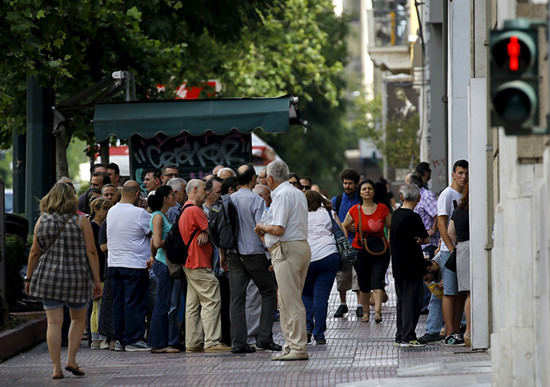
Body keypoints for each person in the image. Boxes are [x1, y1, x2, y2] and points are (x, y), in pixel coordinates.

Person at [25, 182, 102, 379]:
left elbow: (35, 251)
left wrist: (29, 277)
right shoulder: (81, 220)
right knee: (77, 320)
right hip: (77, 277)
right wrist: (97, 280)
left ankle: (56, 369)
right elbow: (91, 251)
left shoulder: (42, 220)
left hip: (49, 277)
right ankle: (72, 360)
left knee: (53, 323)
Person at [254, 160, 311, 361]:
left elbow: (278, 229)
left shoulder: (282, 195)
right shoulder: (296, 193)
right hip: (297, 247)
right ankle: (291, 344)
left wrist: (262, 226)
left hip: (287, 249)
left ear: (270, 178)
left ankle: (297, 347)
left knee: (290, 300)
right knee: (287, 299)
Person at [223, 164, 280, 354]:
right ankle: (264, 337)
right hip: (254, 254)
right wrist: (270, 253)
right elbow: (260, 228)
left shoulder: (229, 199)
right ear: (254, 178)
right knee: (269, 291)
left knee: (237, 299)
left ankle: (238, 342)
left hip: (234, 254)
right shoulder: (257, 200)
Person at [180, 179, 231, 352]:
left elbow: (205, 230)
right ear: (194, 189)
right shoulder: (195, 210)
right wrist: (206, 231)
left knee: (193, 304)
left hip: (190, 262)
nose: (207, 193)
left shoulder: (186, 209)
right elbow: (213, 232)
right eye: (204, 189)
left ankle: (193, 341)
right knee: (212, 298)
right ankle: (212, 341)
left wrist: (203, 231)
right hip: (199, 261)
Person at [106, 180, 152, 352]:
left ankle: (119, 339)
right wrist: (146, 209)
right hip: (135, 264)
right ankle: (133, 339)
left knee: (119, 302)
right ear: (137, 194)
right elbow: (154, 231)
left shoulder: (111, 211)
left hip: (115, 264)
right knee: (135, 302)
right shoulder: (139, 213)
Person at [342, 179, 392, 324]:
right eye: (364, 189)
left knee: (377, 280)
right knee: (363, 283)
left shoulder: (383, 209)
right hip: (360, 250)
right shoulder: (355, 210)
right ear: (360, 193)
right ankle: (365, 312)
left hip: (381, 250)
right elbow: (345, 225)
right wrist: (347, 244)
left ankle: (377, 312)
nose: (367, 191)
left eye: (370, 188)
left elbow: (391, 225)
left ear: (374, 192)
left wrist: (390, 242)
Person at [390, 183, 430, 348]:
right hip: (412, 266)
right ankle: (408, 336)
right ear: (419, 198)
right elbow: (426, 238)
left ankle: (400, 335)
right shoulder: (414, 217)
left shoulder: (396, 214)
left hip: (398, 265)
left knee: (401, 301)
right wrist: (420, 239)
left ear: (401, 197)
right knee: (412, 301)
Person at [302, 190, 341, 345]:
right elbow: (340, 231)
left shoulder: (300, 215)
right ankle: (319, 334)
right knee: (322, 296)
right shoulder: (329, 213)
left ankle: (307, 327)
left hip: (307, 258)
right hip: (329, 256)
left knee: (306, 293)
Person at [437, 159, 469, 346]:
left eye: (466, 173)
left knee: (459, 293)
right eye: (460, 173)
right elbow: (441, 223)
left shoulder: (465, 193)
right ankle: (450, 332)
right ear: (453, 174)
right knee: (449, 292)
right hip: (450, 251)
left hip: (462, 250)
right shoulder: (447, 194)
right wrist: (450, 247)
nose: (464, 177)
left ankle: (457, 330)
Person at [147, 185, 180, 353]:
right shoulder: (158, 217)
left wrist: (152, 256)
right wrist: (175, 241)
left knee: (165, 303)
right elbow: (158, 242)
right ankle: (158, 343)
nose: (175, 197)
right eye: (172, 195)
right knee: (162, 304)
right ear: (166, 198)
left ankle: (160, 341)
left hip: (162, 261)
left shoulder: (162, 216)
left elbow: (154, 243)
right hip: (164, 263)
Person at [331, 169, 362, 318]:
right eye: (345, 183)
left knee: (358, 276)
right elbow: (332, 219)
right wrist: (343, 225)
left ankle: (360, 305)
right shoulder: (336, 200)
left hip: (359, 243)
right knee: (342, 276)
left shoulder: (362, 200)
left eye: (350, 183)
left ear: (356, 184)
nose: (347, 186)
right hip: (342, 245)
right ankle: (343, 304)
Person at [448, 182, 471, 347]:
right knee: (472, 292)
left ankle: (468, 330)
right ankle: (469, 330)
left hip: (461, 249)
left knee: (467, 292)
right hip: (472, 248)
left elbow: (450, 232)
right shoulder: (476, 209)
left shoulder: (458, 210)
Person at [89, 198, 113, 350]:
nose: (106, 212)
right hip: (95, 269)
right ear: (95, 209)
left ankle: (97, 336)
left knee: (99, 304)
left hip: (102, 267)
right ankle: (97, 336)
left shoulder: (105, 225)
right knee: (97, 304)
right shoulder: (92, 227)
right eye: (104, 209)